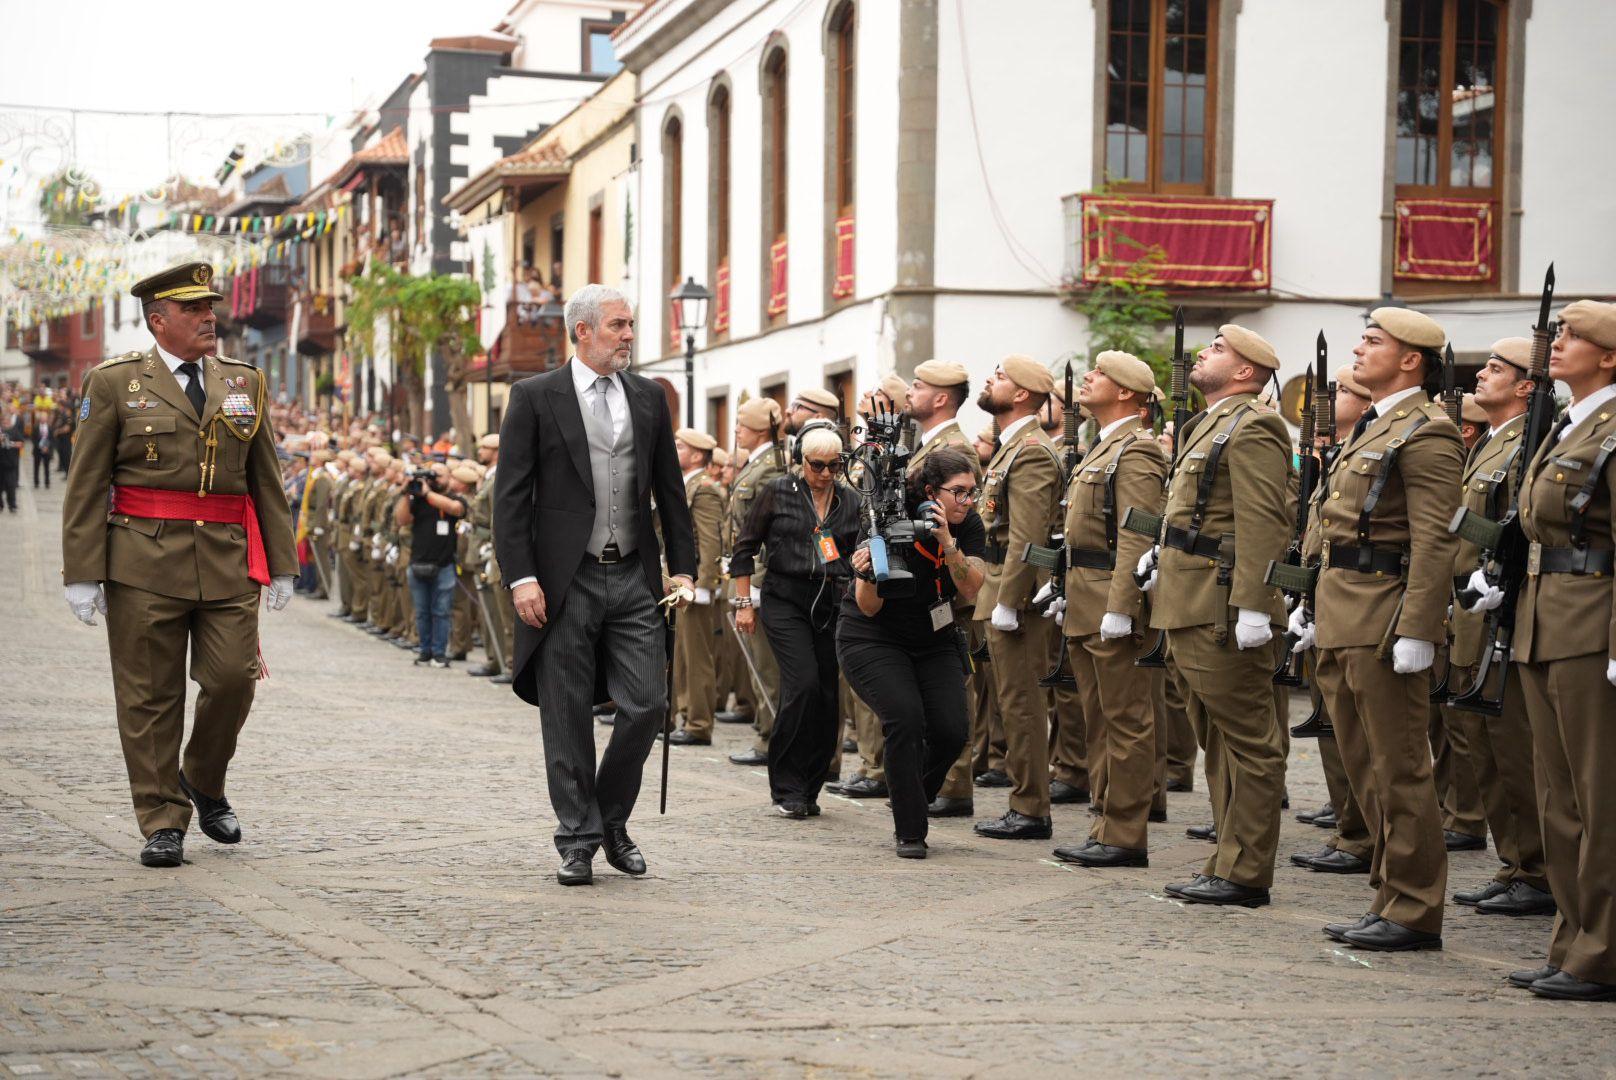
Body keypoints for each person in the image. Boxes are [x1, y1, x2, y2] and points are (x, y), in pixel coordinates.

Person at [59, 261, 297, 868]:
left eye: (209, 307)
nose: (208, 317)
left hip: (227, 559)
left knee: (234, 678)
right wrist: (81, 570)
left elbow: (265, 478)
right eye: (193, 309)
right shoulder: (114, 383)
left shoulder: (243, 380)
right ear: (157, 321)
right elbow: (87, 482)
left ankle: (203, 778)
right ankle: (163, 819)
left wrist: (283, 561)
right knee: (149, 696)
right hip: (142, 559)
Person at [494, 283, 695, 886]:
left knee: (647, 704)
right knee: (566, 715)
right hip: (565, 579)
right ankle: (578, 839)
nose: (629, 335)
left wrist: (684, 567)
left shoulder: (648, 397)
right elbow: (511, 497)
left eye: (630, 325)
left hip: (633, 574)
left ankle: (608, 819)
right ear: (582, 331)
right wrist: (522, 577)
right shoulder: (535, 397)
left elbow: (671, 492)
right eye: (618, 325)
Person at [1296, 307, 1463, 951]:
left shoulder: (1427, 431)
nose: (1359, 350)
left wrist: (1419, 626)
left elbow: (1435, 540)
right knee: (1364, 767)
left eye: (1373, 341)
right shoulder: (1377, 424)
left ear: (1411, 360)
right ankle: (1389, 894)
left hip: (1384, 616)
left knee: (1400, 770)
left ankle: (1415, 908)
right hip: (1344, 610)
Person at [1483, 300, 1616, 1000]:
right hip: (1543, 621)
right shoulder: (1568, 423)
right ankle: (1572, 942)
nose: (1555, 343)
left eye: (1572, 336)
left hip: (1592, 624)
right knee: (1558, 799)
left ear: (1609, 357)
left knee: (1600, 800)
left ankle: (1603, 953)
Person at [1140, 325, 1292, 906]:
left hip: (1221, 604)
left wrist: (1254, 603)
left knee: (1250, 743)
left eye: (1220, 349)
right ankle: (1228, 859)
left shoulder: (1254, 425)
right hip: (1189, 597)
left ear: (1246, 372)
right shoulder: (1209, 423)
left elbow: (1263, 522)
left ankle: (1246, 872)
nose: (1204, 351)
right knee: (1220, 742)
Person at [1440, 337, 1552, 916]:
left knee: (1512, 750)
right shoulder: (1491, 441)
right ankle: (1514, 863)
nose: (1480, 375)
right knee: (1481, 748)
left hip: (1501, 616)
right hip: (1471, 612)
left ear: (1526, 386)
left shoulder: (1529, 443)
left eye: (1494, 368)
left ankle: (1538, 871)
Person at [1049, 351, 1166, 868]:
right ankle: (1104, 823)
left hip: (1109, 601)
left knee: (1125, 721)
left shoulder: (1136, 451)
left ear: (1124, 393)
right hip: (1085, 597)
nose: (1088, 377)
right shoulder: (1102, 447)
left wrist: (1122, 605)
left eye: (1099, 374)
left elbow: (1136, 534)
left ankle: (1124, 833)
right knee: (1098, 720)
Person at [839, 447, 984, 858]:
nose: (968, 500)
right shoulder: (888, 516)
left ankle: (910, 793)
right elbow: (869, 606)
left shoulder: (968, 524)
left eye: (972, 491)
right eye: (959, 492)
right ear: (930, 492)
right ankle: (911, 830)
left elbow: (972, 588)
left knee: (952, 730)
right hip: (874, 636)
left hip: (934, 635)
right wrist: (868, 571)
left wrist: (947, 542)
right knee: (905, 717)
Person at [730, 424, 862, 818]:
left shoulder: (851, 500)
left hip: (832, 602)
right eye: (817, 465)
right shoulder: (778, 491)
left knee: (827, 695)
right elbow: (744, 547)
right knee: (802, 685)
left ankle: (810, 787)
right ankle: (787, 786)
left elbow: (860, 552)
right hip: (784, 599)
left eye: (833, 466)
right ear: (800, 461)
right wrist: (743, 603)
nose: (825, 474)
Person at [972, 355, 1063, 841]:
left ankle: (1030, 808)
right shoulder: (1012, 446)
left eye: (1002, 376)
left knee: (1022, 703)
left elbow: (1027, 537)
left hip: (1017, 595)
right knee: (1012, 701)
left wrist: (1009, 600)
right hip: (998, 582)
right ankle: (1024, 800)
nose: (991, 379)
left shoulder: (1030, 451)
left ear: (1023, 394)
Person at [721, 398, 786, 765]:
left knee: (766, 666)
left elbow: (768, 529)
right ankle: (765, 730)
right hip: (745, 572)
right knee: (756, 662)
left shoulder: (771, 467)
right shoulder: (757, 463)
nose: (736, 430)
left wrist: (756, 581)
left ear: (761, 429)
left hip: (759, 576)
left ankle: (771, 737)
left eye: (742, 425)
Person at [667, 428, 726, 746]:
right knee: (680, 655)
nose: (674, 450)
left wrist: (704, 584)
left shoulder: (704, 489)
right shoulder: (687, 483)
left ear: (697, 454)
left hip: (695, 584)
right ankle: (684, 714)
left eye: (680, 446)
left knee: (697, 656)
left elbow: (710, 540)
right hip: (679, 582)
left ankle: (699, 722)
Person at [396, 460, 469, 667]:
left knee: (442, 611)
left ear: (449, 478)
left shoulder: (454, 498)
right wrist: (406, 493)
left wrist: (427, 493)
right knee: (421, 612)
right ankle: (425, 651)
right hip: (418, 563)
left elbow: (455, 509)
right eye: (431, 475)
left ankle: (439, 652)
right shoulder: (418, 500)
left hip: (444, 564)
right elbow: (401, 520)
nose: (434, 479)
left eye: (439, 475)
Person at [0, 404, 22, 511]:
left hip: (11, 463)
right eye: (3, 421)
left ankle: (12, 505)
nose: (5, 423)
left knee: (11, 486)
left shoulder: (14, 431)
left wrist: (11, 444)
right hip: (1, 462)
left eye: (7, 421)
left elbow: (21, 443)